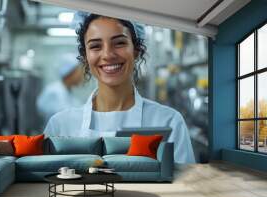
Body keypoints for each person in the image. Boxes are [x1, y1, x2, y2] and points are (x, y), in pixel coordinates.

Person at [44, 14, 195, 164]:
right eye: (95, 46)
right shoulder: (60, 126)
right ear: (85, 57)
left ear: (136, 50)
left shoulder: (169, 122)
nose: (108, 55)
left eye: (119, 43)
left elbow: (185, 186)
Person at [36, 57, 84, 123]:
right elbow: (64, 118)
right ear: (70, 72)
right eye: (79, 72)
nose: (82, 75)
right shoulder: (54, 91)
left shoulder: (67, 91)